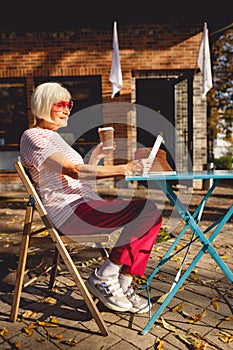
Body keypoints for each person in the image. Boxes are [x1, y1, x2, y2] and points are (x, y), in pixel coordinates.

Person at [20, 81, 162, 314]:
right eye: (62, 104)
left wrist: (96, 156)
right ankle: (104, 276)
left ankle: (123, 283)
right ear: (45, 105)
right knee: (146, 210)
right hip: (71, 213)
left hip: (85, 205)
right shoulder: (33, 136)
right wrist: (125, 169)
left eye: (70, 104)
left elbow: (80, 176)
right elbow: (72, 170)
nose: (68, 109)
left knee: (151, 214)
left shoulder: (54, 137)